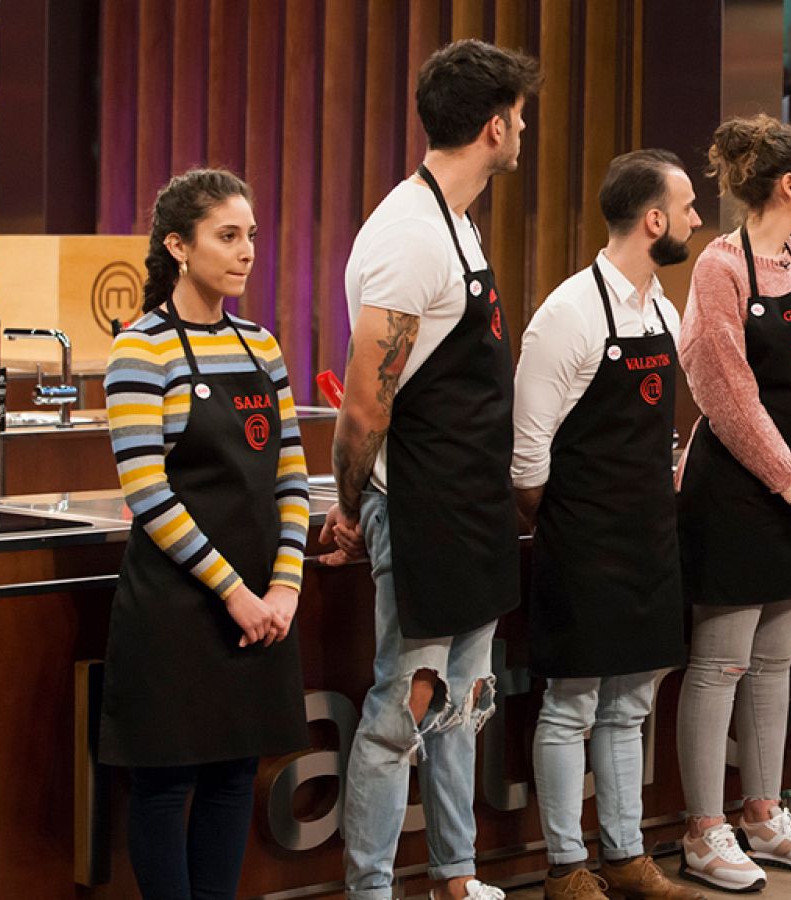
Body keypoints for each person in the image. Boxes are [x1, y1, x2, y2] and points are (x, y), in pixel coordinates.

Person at [328, 40, 541, 900]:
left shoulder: (459, 223)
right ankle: (371, 890)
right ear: (494, 127)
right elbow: (362, 409)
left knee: (463, 702)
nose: (523, 130)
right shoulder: (410, 237)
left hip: (473, 502)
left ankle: (455, 877)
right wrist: (351, 506)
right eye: (519, 116)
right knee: (400, 713)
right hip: (419, 508)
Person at [100, 168, 310, 900]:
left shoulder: (262, 346)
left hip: (259, 604)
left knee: (232, 778)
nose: (247, 250)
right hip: (176, 606)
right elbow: (148, 494)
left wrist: (284, 587)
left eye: (250, 234)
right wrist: (235, 593)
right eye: (227, 235)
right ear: (178, 247)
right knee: (165, 786)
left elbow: (291, 477)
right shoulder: (141, 348)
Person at [512, 149, 705, 900]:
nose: (695, 219)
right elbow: (527, 459)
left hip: (650, 538)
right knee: (570, 708)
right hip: (584, 542)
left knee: (630, 706)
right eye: (686, 208)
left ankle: (626, 857)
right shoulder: (567, 314)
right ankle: (566, 867)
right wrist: (572, 522)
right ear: (653, 220)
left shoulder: (662, 311)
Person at [673, 113, 791, 893]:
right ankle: (702, 830)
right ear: (786, 184)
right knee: (721, 664)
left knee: (777, 662)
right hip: (741, 493)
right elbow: (724, 391)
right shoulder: (720, 267)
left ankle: (764, 814)